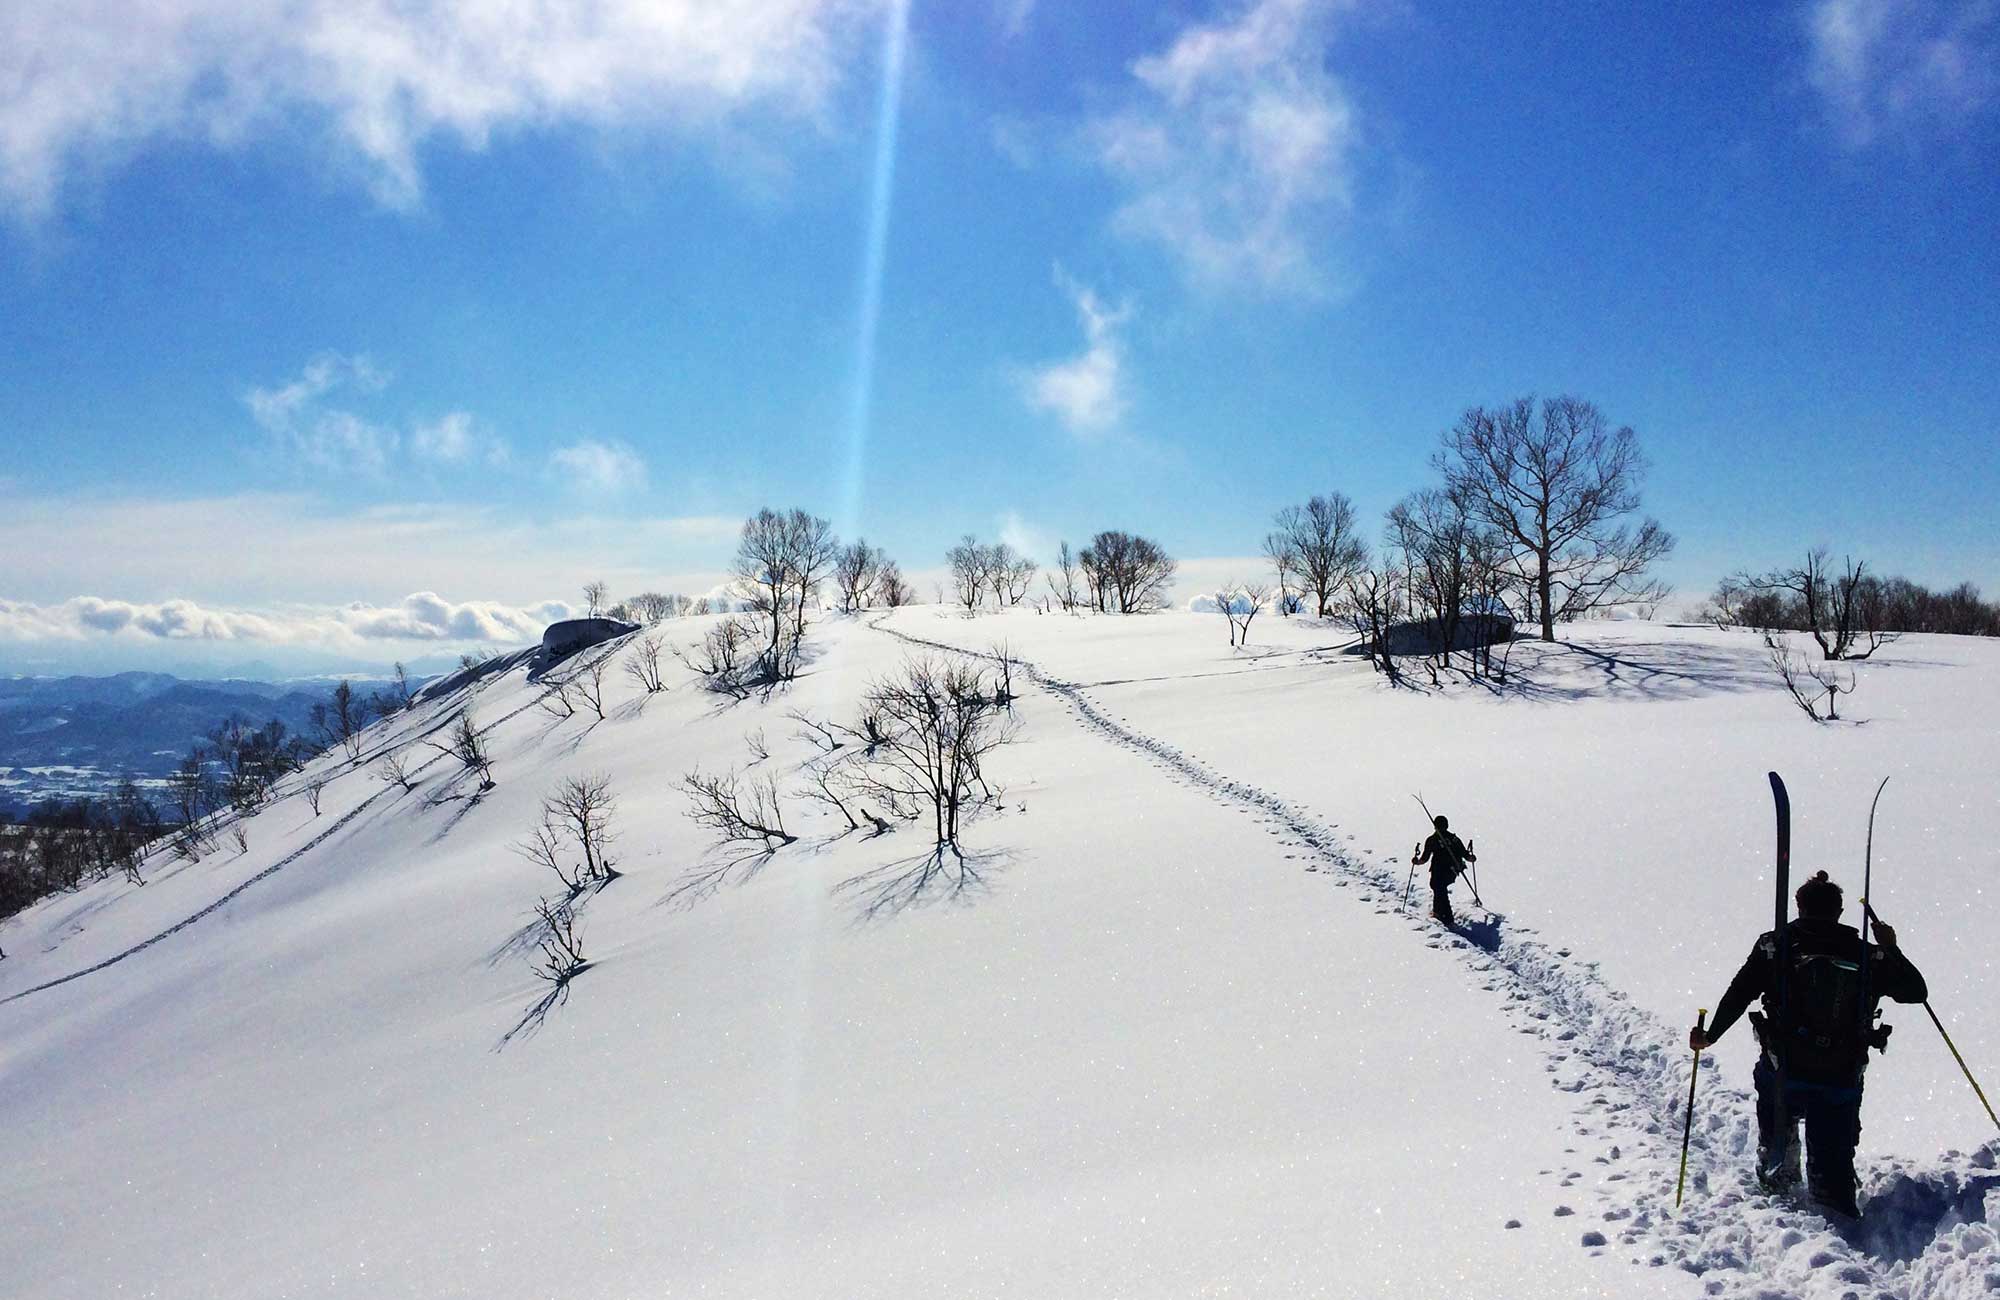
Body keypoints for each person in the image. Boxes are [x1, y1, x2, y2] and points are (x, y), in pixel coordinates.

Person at [1689, 870, 1927, 1217]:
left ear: (1798, 906)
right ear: (1839, 912)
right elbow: (1916, 992)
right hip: (1841, 1073)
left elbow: (1739, 994)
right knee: (1833, 1161)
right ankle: (1835, 1204)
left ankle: (1779, 1191)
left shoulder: (1774, 947)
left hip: (1784, 1069)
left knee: (1777, 1140)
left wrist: (1710, 1035)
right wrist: (1891, 949)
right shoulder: (1866, 954)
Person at [1411, 815, 1474, 926]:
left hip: (1439, 869)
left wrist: (1417, 862)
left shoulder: (1432, 840)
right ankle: (1439, 912)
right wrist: (1471, 858)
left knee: (1439, 888)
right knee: (1439, 888)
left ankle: (1446, 916)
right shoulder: (1454, 839)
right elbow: (1465, 854)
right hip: (1452, 870)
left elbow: (1425, 858)